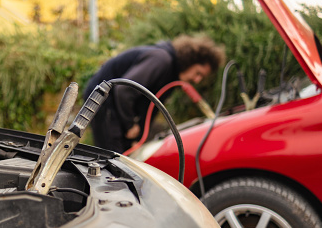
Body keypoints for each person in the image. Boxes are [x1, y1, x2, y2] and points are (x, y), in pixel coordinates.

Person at [83, 34, 225, 153]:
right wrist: (130, 124)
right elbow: (124, 89)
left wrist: (136, 140)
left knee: (121, 155)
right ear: (191, 60)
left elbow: (148, 106)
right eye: (198, 73)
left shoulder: (172, 74)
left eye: (202, 77)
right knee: (111, 156)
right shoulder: (161, 60)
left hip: (115, 103)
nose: (197, 80)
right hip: (102, 98)